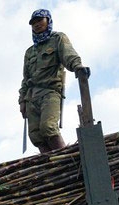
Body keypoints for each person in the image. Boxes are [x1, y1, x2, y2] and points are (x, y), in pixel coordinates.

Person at [18, 8, 90, 154]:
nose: (37, 24)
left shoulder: (57, 39)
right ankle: (50, 164)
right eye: (34, 22)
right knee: (36, 135)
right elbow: (25, 79)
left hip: (50, 92)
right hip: (31, 97)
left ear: (48, 21)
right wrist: (22, 101)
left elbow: (69, 55)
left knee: (48, 128)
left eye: (40, 20)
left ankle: (66, 160)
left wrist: (78, 67)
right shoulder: (30, 52)